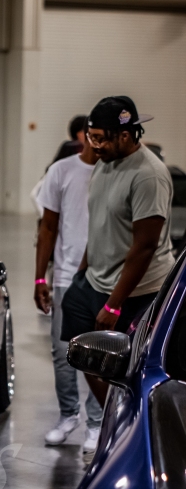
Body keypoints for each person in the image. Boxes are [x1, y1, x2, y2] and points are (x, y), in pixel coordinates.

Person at [61, 95, 175, 436]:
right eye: (90, 137)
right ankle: (118, 424)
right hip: (95, 279)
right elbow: (100, 224)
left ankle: (133, 429)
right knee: (83, 352)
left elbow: (145, 247)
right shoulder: (105, 163)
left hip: (136, 291)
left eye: (100, 138)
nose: (93, 145)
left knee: (125, 367)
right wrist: (83, 271)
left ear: (125, 134)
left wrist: (114, 304)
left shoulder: (148, 175)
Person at [34, 135, 103, 458]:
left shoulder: (114, 172)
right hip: (65, 276)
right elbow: (47, 227)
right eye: (96, 136)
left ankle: (96, 423)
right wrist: (40, 277)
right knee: (63, 352)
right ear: (85, 136)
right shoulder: (61, 171)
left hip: (104, 278)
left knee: (100, 354)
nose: (101, 143)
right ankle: (68, 415)